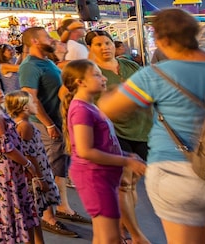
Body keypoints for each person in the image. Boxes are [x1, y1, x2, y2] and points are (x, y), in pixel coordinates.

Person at [98, 9, 205, 244]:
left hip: (175, 172)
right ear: (196, 34)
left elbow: (108, 108)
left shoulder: (155, 75)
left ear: (161, 40)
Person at [62, 59, 148, 244]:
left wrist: (127, 155)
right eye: (97, 74)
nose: (104, 78)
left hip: (102, 177)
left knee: (104, 236)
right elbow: (85, 151)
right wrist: (126, 161)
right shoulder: (81, 110)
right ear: (80, 82)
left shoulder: (89, 106)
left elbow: (103, 144)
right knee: (111, 238)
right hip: (95, 178)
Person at [19, 26, 87, 236]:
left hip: (58, 122)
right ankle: (48, 216)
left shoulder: (47, 61)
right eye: (46, 37)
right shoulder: (30, 66)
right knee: (46, 170)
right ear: (35, 42)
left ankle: (63, 207)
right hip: (46, 125)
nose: (51, 39)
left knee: (59, 168)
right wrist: (49, 124)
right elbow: (31, 98)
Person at [86, 30, 152, 244]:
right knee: (124, 183)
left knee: (134, 181)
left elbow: (149, 87)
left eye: (107, 43)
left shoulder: (129, 65)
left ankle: (124, 225)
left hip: (142, 128)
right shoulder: (92, 72)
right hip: (114, 132)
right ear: (91, 48)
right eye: (98, 44)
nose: (105, 47)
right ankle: (134, 234)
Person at [0, 76, 44, 244]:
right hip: (3, 170)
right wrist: (28, 165)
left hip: (12, 166)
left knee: (20, 206)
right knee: (9, 209)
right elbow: (6, 147)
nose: (0, 91)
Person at [7, 90, 61, 234]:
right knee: (34, 214)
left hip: (34, 171)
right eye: (32, 102)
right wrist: (40, 178)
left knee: (33, 215)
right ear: (25, 107)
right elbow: (29, 154)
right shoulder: (25, 126)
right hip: (36, 172)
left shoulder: (19, 123)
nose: (36, 104)